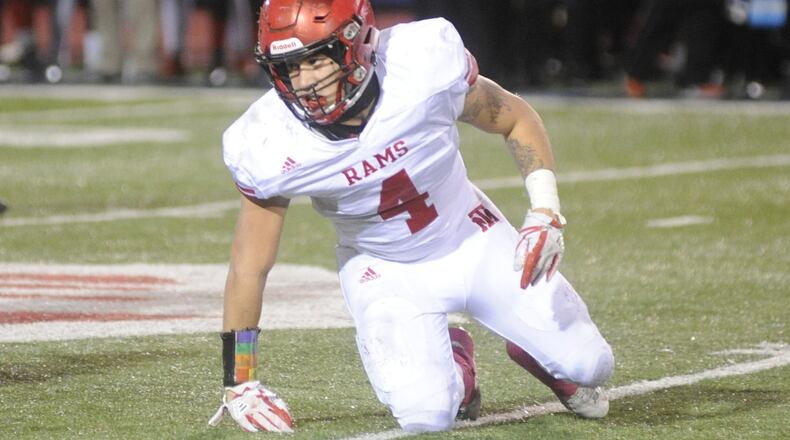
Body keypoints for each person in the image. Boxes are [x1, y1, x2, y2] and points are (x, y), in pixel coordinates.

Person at [207, 0, 614, 433]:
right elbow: (250, 265)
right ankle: (458, 366)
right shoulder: (269, 140)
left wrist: (545, 210)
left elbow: (515, 118)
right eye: (289, 66)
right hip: (383, 269)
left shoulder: (420, 65)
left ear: (357, 44)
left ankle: (536, 351)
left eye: (315, 60)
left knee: (593, 365)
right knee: (427, 416)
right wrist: (240, 380)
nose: (303, 81)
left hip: (469, 234)